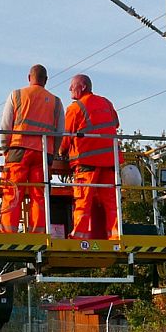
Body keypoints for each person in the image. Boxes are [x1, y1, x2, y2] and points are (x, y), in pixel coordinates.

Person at [0, 64, 64, 233]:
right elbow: (59, 133)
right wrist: (53, 153)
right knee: (39, 195)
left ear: (29, 78)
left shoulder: (17, 95)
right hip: (44, 154)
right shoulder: (56, 102)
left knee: (13, 193)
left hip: (18, 150)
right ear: (46, 80)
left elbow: (6, 125)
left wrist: (5, 150)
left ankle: (8, 233)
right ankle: (39, 233)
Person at [60, 73, 120, 239]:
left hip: (87, 162)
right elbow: (115, 123)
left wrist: (60, 152)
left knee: (83, 200)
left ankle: (79, 235)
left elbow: (66, 136)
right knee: (111, 203)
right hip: (110, 162)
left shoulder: (75, 108)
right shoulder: (107, 103)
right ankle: (115, 235)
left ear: (83, 86)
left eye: (73, 85)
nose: (70, 88)